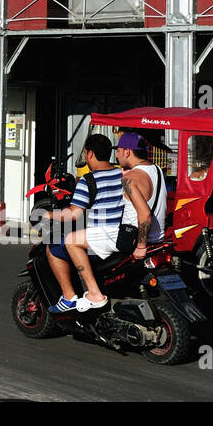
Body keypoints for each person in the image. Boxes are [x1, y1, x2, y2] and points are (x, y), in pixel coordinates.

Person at [42, 133, 124, 313]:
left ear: (91, 154)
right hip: (121, 235)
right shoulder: (122, 173)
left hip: (99, 240)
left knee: (53, 248)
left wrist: (49, 215)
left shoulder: (88, 181)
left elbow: (73, 214)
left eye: (86, 153)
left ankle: (69, 297)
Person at [115, 132, 167, 262]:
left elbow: (145, 213)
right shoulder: (157, 169)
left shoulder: (129, 178)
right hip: (158, 238)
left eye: (118, 151)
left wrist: (141, 246)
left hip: (132, 242)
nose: (116, 155)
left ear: (127, 152)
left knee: (72, 243)